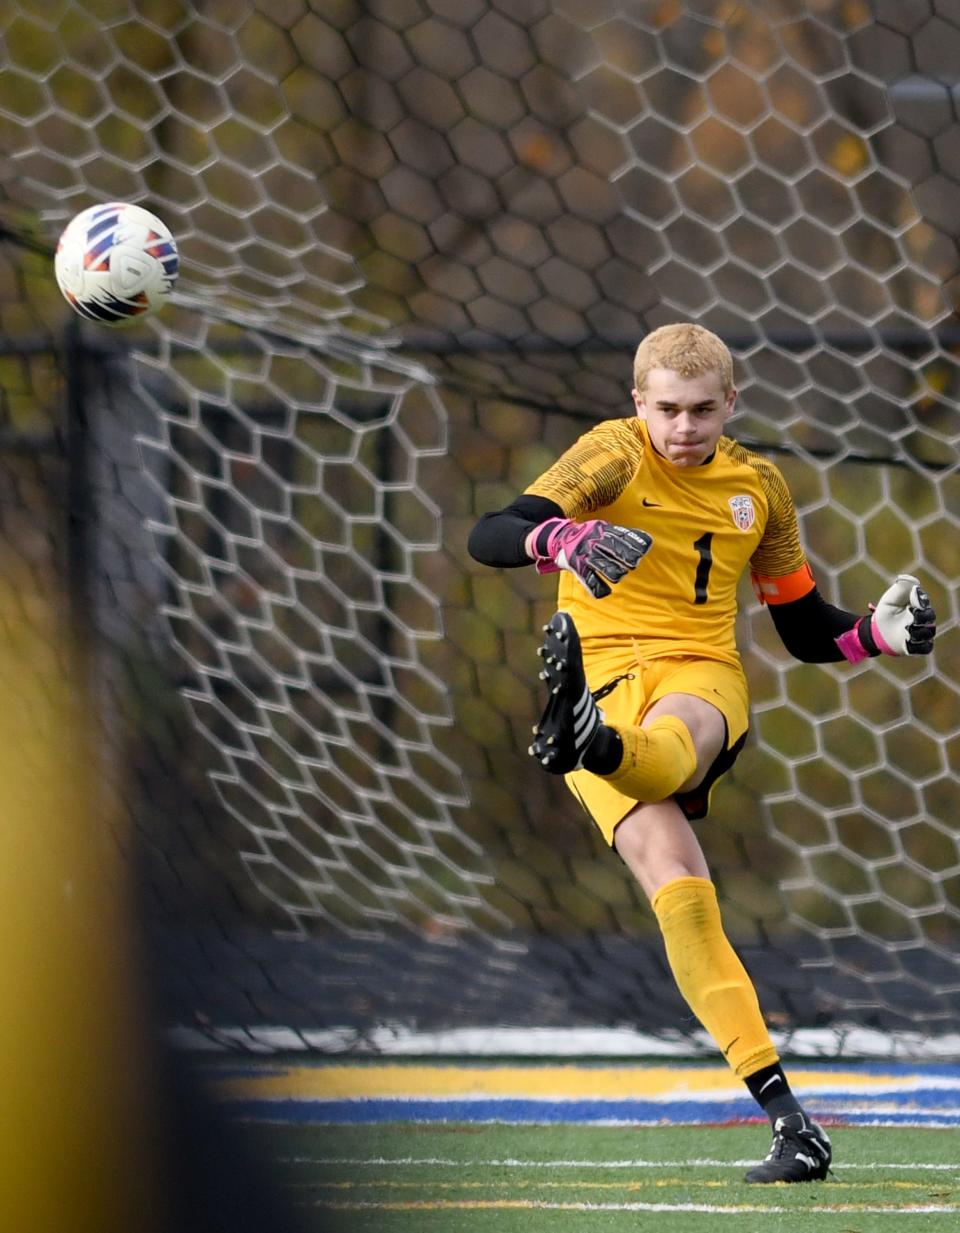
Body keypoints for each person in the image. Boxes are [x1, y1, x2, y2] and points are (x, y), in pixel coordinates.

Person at [467, 322, 936, 1183]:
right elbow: (493, 532)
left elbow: (802, 628)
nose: (684, 428)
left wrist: (879, 634)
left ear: (733, 404)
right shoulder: (610, 455)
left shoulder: (759, 486)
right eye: (669, 409)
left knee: (678, 740)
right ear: (637, 403)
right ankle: (794, 1125)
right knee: (684, 900)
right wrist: (558, 538)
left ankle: (593, 744)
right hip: (600, 676)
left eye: (703, 410)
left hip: (698, 671)